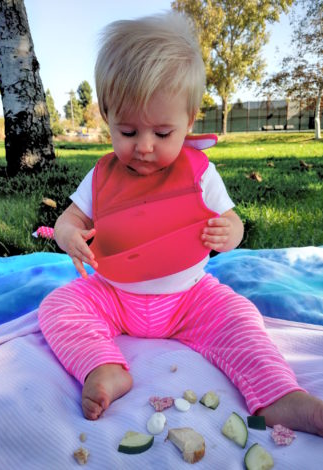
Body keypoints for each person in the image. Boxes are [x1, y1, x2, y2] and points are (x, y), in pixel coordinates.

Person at [38, 12, 323, 436]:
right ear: (107, 115)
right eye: (129, 131)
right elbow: (70, 218)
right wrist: (68, 234)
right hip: (116, 294)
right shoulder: (102, 175)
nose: (145, 147)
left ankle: (279, 396)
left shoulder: (199, 174)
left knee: (240, 317)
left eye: (163, 132)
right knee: (57, 307)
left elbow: (231, 221)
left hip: (189, 298)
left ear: (189, 122)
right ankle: (103, 367)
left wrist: (230, 233)